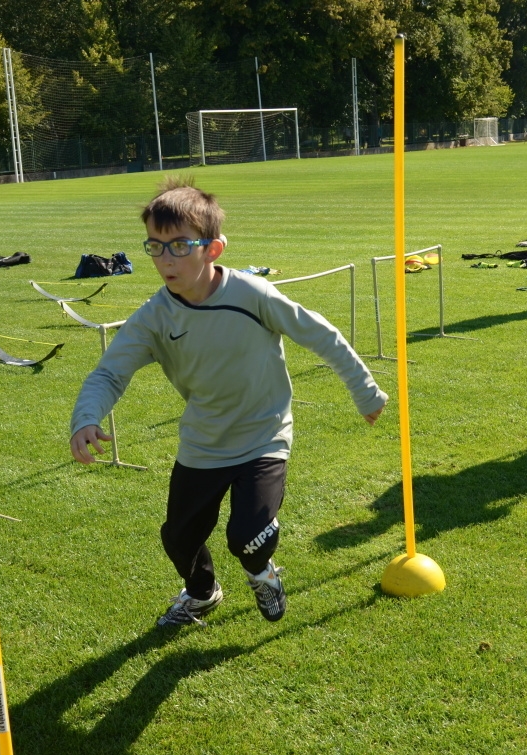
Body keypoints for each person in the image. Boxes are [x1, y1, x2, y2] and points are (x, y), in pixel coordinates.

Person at [70, 178, 388, 628]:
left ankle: (262, 573)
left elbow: (321, 335)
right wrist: (86, 419)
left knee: (247, 538)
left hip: (263, 435)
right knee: (179, 539)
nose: (165, 259)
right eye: (155, 246)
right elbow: (110, 372)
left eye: (179, 246)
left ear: (213, 250)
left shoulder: (251, 295)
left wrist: (365, 392)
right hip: (203, 443)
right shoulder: (154, 316)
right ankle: (202, 594)